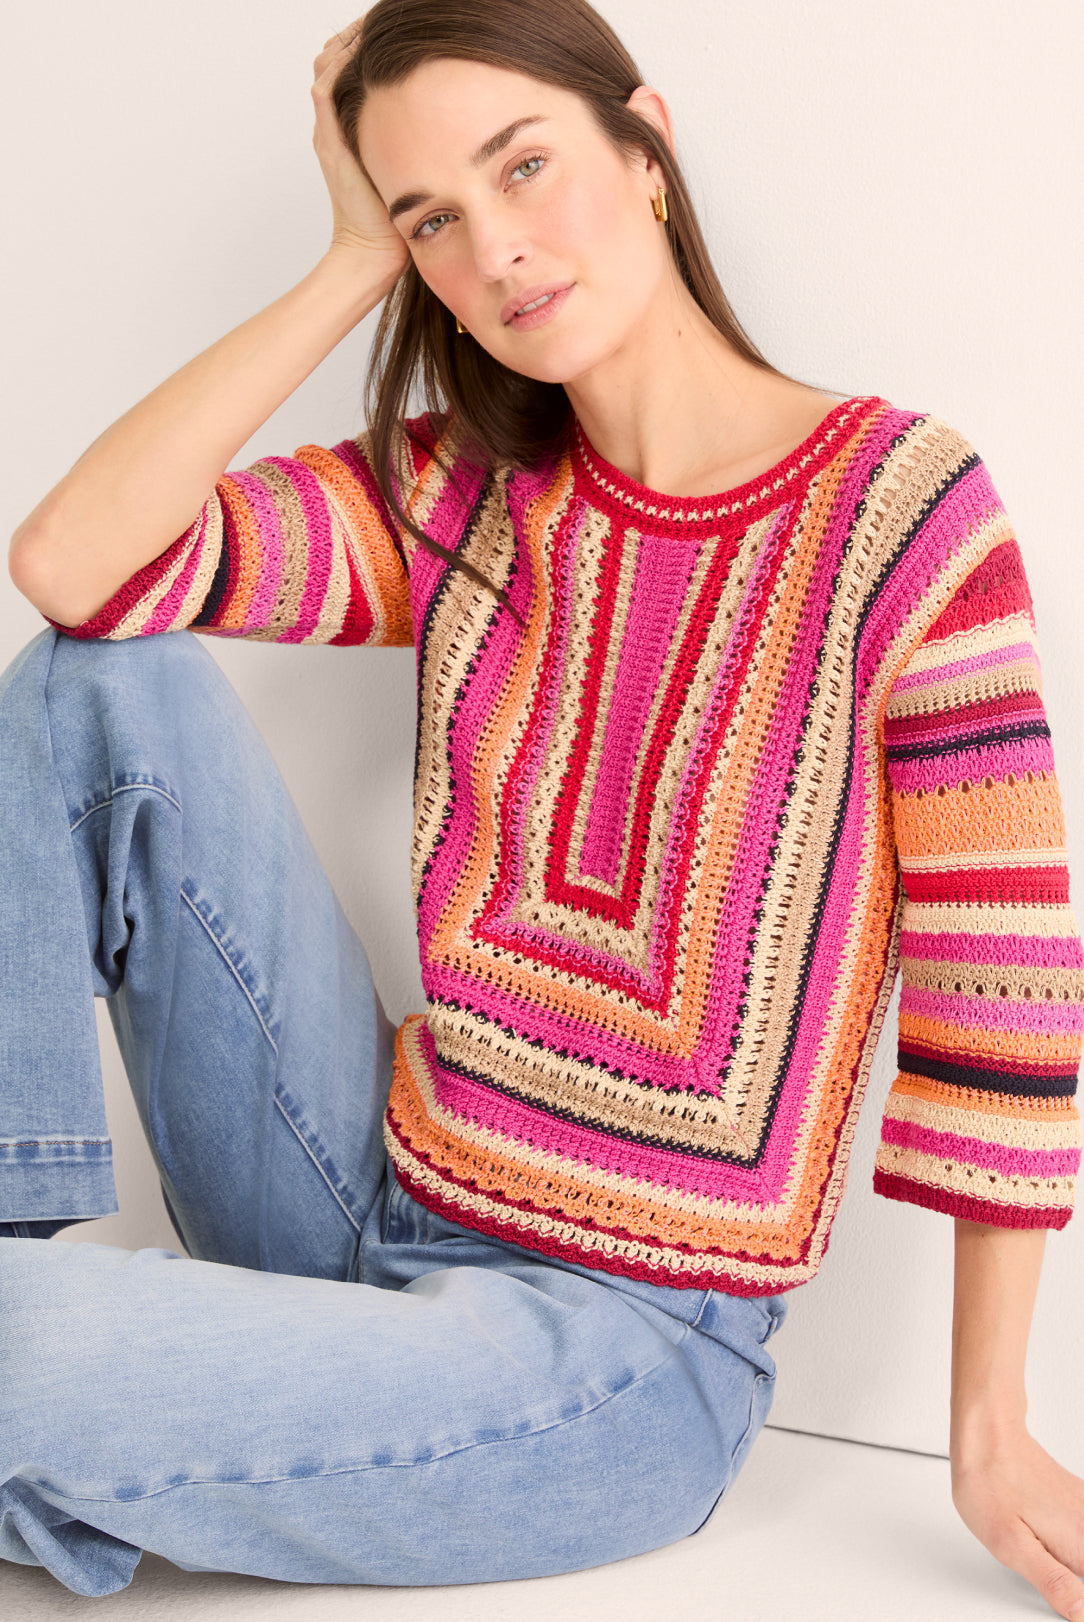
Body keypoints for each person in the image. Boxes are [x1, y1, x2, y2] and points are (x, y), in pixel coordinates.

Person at [2, 0, 1082, 1610]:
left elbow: (1008, 992)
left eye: (524, 167)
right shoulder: (457, 491)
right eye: (437, 217)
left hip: (626, 1354)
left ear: (646, 147)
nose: (496, 248)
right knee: (101, 679)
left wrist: (987, 1427)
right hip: (365, 1193)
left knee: (26, 1353)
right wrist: (351, 262)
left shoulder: (902, 514)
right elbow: (77, 568)